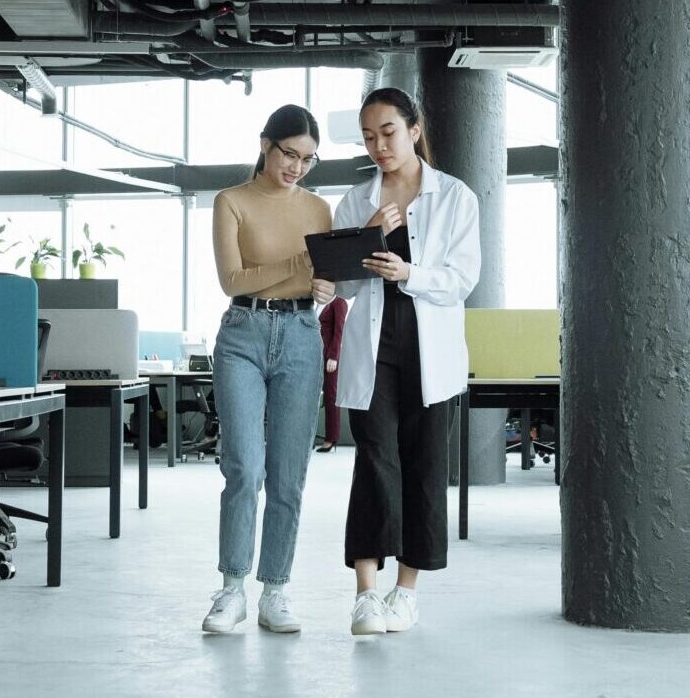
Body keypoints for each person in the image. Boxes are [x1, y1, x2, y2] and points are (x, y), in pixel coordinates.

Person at [332, 87, 481, 635]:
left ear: (414, 130)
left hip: (430, 349)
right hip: (374, 348)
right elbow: (342, 284)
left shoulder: (455, 196)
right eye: (369, 137)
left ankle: (406, 592)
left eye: (388, 132)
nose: (379, 146)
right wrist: (368, 234)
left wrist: (409, 274)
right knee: (374, 460)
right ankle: (366, 594)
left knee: (423, 466)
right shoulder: (357, 200)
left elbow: (463, 279)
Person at [202, 104, 336, 634]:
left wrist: (324, 286)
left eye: (307, 159)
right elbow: (233, 280)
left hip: (302, 334)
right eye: (289, 154)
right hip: (243, 334)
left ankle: (274, 592)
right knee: (243, 467)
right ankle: (232, 589)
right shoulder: (231, 201)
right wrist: (300, 265)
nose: (296, 167)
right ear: (265, 145)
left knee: (288, 474)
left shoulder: (319, 209)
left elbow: (325, 280)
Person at [316, 296, 348, 452]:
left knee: (331, 396)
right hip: (313, 355)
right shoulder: (317, 303)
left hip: (329, 357)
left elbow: (339, 331)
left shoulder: (339, 302)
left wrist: (333, 356)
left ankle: (331, 438)